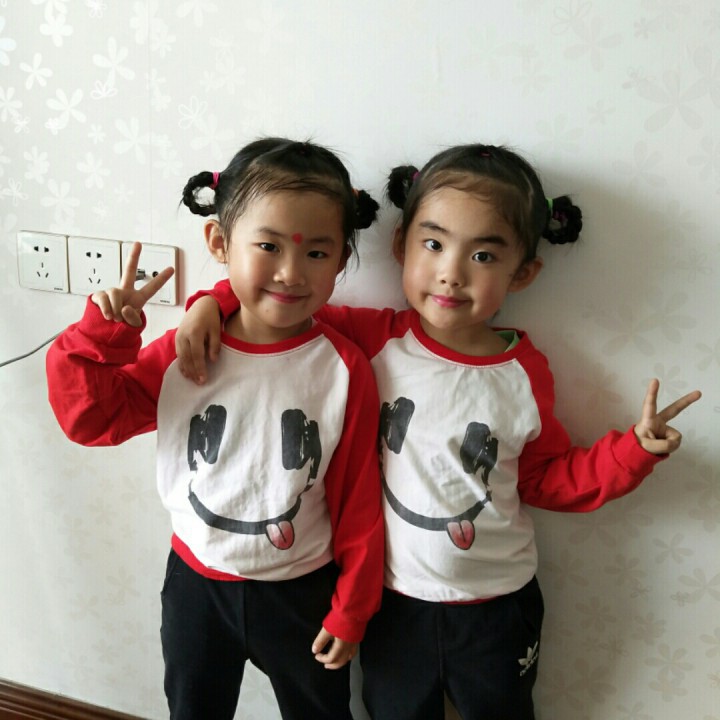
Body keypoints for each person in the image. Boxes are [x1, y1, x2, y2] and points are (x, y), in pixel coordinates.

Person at [173, 143, 701, 720]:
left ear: (524, 272)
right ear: (401, 245)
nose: (451, 272)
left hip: (497, 606)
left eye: (484, 255)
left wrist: (631, 453)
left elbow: (546, 478)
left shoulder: (524, 373)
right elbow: (277, 300)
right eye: (434, 244)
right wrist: (209, 303)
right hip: (394, 606)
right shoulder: (370, 340)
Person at [46, 138, 385, 720]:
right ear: (220, 243)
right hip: (197, 589)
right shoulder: (187, 350)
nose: (290, 273)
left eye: (317, 252)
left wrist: (352, 608)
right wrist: (102, 335)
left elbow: (358, 499)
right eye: (268, 246)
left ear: (341, 261)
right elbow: (92, 420)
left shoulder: (343, 367)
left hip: (302, 591)